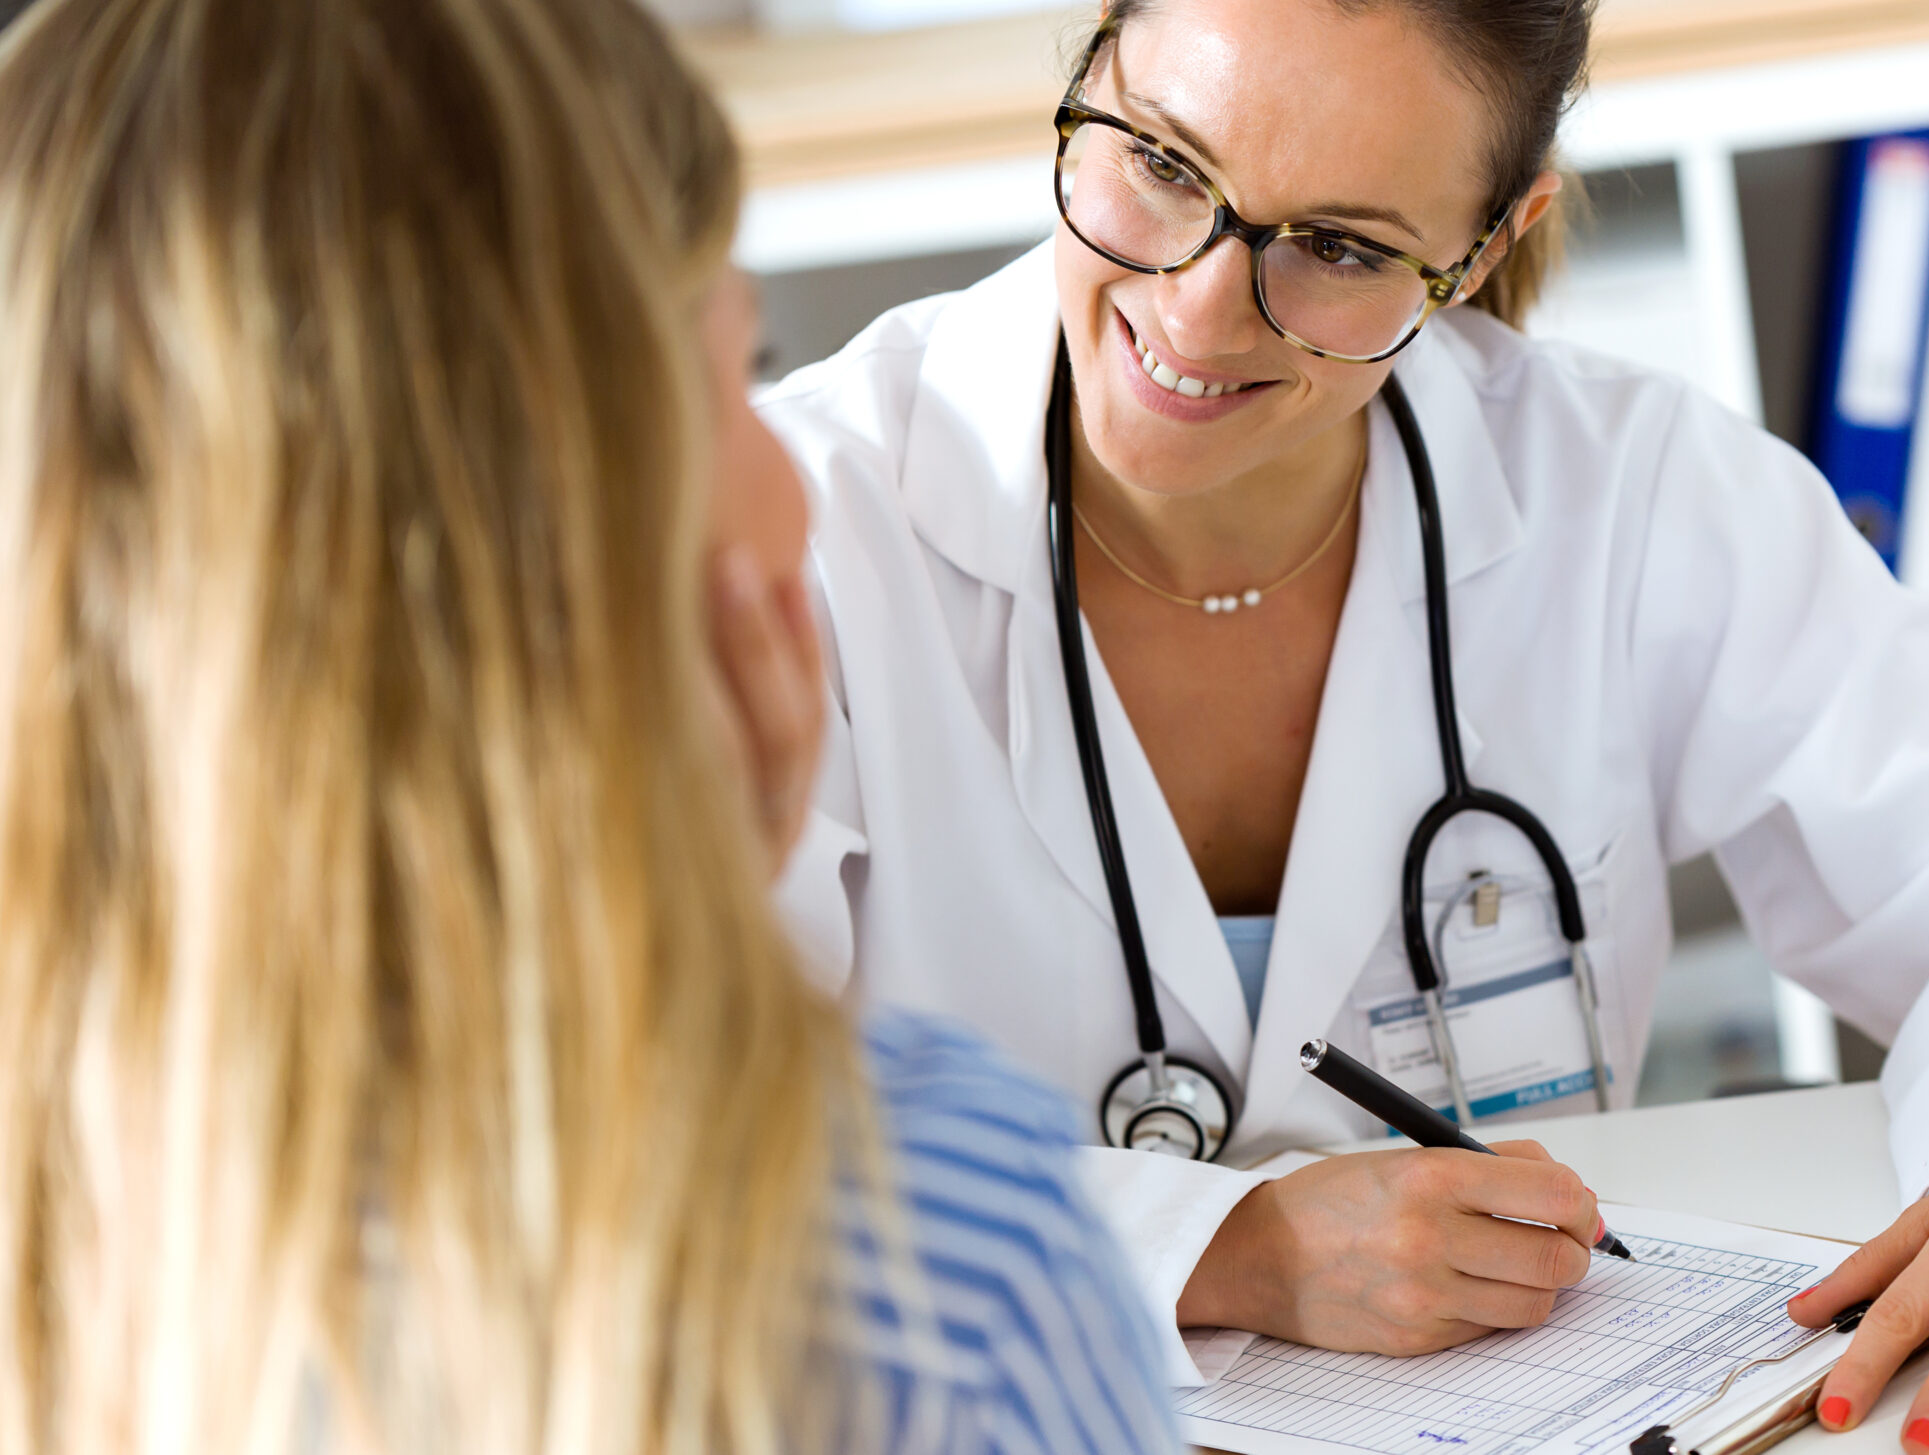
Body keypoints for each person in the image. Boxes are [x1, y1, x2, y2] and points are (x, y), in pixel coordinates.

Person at [755, 0, 1929, 1448]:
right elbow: (627, 1137)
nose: (1200, 305)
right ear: (1089, 66)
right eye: (1162, 161)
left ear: (1489, 242)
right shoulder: (783, 530)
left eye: (1342, 246)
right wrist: (1224, 1249)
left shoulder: (1624, 492)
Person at [0, 2, 1179, 1453]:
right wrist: (714, 984)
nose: (791, 475)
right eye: (736, 372)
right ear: (579, 523)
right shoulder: (921, 1249)